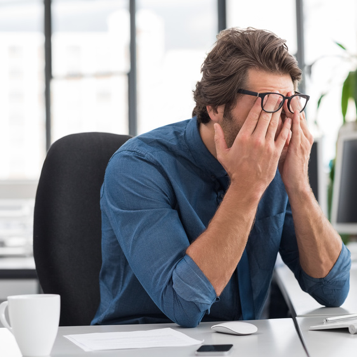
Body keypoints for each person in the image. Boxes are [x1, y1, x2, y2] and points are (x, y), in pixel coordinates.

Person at [92, 27, 351, 327]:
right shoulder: (138, 167)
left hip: (247, 345)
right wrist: (247, 186)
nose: (280, 122)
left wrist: (298, 186)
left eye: (289, 105)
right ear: (215, 106)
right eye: (268, 103)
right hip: (145, 344)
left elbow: (332, 289)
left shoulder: (278, 166)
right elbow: (184, 306)